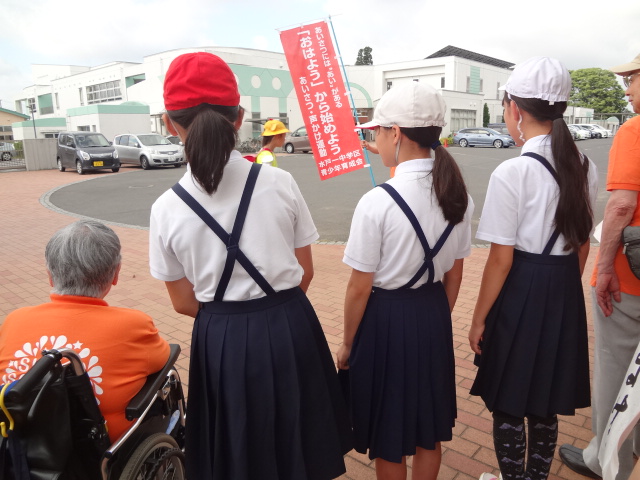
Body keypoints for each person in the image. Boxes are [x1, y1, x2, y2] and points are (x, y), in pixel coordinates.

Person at [149, 52, 351, 480]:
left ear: (170, 124)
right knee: (299, 439)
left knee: (238, 448)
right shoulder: (279, 182)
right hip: (290, 323)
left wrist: (231, 321)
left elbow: (183, 301)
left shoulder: (166, 208)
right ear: (239, 117)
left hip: (219, 336)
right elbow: (306, 270)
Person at [468, 57, 598, 480]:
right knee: (546, 394)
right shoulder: (584, 166)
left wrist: (478, 319)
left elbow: (500, 259)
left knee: (508, 396)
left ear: (514, 109)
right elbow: (581, 247)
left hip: (522, 286)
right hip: (563, 287)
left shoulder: (514, 170)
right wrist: (559, 292)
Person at [337, 82, 474, 480]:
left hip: (385, 319)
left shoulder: (378, 201)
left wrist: (348, 343)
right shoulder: (458, 194)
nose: (374, 140)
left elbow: (359, 288)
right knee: (428, 432)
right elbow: (456, 271)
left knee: (389, 432)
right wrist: (433, 317)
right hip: (432, 313)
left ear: (395, 132)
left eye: (376, 132)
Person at [0, 220, 170, 443]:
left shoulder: (15, 320)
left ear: (50, 275)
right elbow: (163, 358)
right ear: (115, 274)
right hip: (98, 448)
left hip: (21, 443)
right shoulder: (133, 325)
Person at [559, 53, 640, 480]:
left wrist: (604, 267)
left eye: (631, 79)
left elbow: (623, 204)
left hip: (632, 279)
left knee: (614, 365)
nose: (626, 89)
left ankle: (607, 460)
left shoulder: (634, 130)